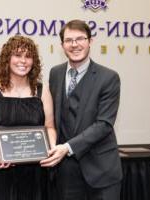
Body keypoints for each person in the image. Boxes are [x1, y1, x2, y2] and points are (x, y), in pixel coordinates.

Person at [40, 19, 123, 200]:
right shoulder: (55, 73)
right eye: (69, 40)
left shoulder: (108, 78)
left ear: (90, 41)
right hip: (65, 172)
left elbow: (104, 124)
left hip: (101, 172)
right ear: (62, 45)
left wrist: (68, 147)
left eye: (80, 39)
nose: (74, 45)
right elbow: (51, 118)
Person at [0, 35, 56, 200]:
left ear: (34, 62)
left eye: (28, 56)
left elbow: (50, 127)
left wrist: (51, 148)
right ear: (7, 59)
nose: (23, 61)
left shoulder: (42, 90)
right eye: (17, 55)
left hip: (34, 173)